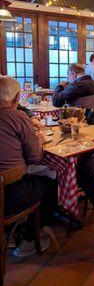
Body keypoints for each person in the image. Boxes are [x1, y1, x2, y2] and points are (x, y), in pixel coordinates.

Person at [0, 76, 57, 257]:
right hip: (9, 193)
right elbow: (34, 157)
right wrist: (38, 140)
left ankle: (8, 231)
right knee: (50, 184)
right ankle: (28, 240)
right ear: (17, 98)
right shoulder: (17, 116)